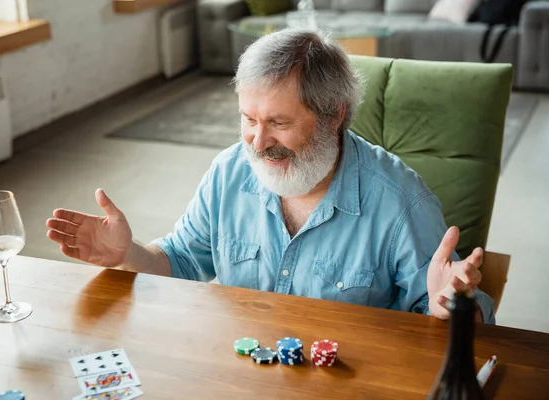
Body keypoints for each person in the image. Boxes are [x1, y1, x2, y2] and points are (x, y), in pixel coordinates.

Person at [46, 28, 495, 324]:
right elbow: (182, 260)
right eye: (248, 119)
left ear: (333, 115)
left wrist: (453, 309)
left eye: (279, 123)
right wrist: (131, 254)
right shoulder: (229, 170)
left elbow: (456, 318)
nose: (258, 143)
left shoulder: (400, 202)